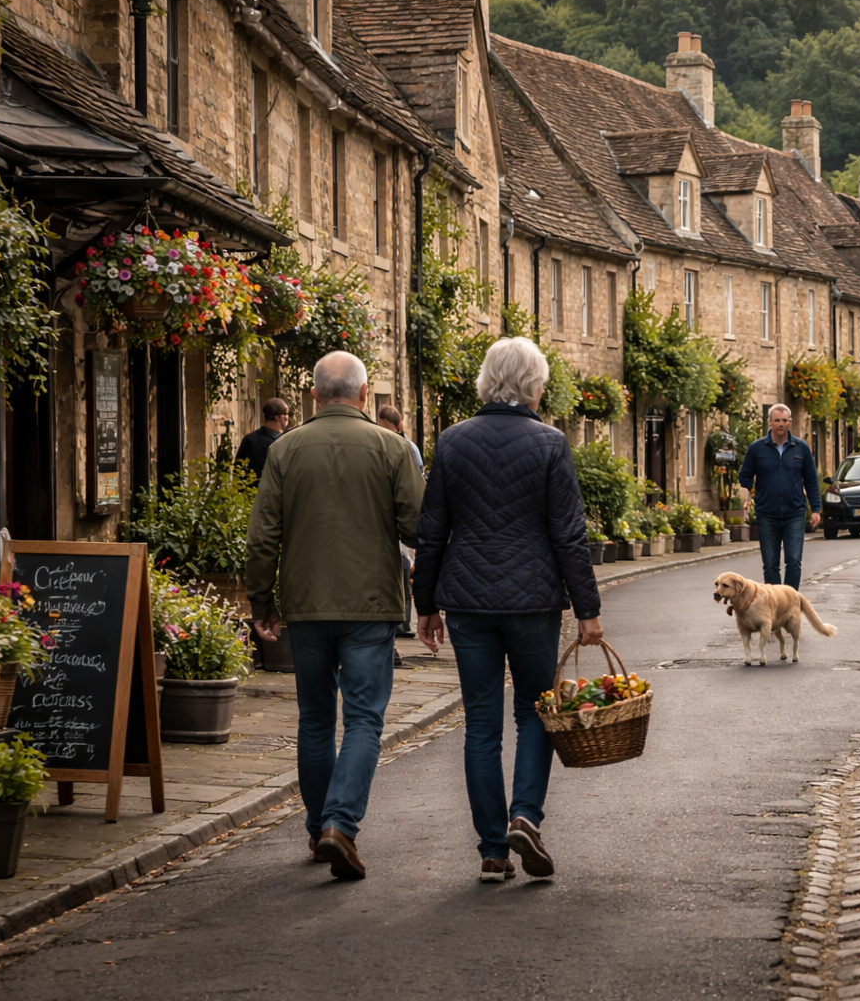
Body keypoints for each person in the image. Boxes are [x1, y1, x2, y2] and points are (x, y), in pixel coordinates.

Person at [414, 337, 602, 883]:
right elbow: (568, 535)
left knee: (480, 723)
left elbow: (432, 533)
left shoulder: (451, 442)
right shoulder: (549, 443)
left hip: (468, 601)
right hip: (532, 601)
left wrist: (425, 604)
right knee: (535, 711)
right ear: (533, 386)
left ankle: (493, 851)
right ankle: (526, 815)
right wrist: (587, 610)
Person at [245, 353, 423, 880]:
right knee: (365, 717)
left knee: (316, 717)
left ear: (316, 397)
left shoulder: (284, 449)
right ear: (365, 396)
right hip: (370, 605)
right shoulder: (393, 448)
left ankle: (318, 823)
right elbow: (418, 528)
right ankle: (339, 825)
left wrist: (261, 603)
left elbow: (262, 537)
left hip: (305, 603)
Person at [737, 404, 821, 590]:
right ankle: (774, 604)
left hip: (795, 513)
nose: (781, 424)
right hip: (766, 513)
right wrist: (746, 497)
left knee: (793, 561)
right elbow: (745, 476)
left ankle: (789, 602)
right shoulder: (757, 449)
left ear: (790, 422)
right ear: (769, 422)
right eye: (777, 420)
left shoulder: (801, 448)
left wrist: (815, 509)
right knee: (771, 563)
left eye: (785, 420)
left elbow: (811, 480)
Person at [377, 405, 424, 642]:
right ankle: (399, 622)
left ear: (393, 425)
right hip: (393, 523)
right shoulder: (400, 446)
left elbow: (413, 489)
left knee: (403, 570)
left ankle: (402, 622)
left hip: (396, 522)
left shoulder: (406, 448)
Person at [235, 397, 289, 480]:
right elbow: (238, 471)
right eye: (285, 414)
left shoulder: (289, 439)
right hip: (256, 490)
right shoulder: (251, 441)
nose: (287, 417)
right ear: (277, 417)